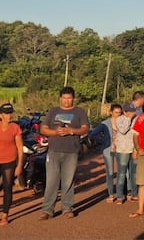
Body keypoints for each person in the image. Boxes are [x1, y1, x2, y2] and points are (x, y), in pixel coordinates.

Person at [39, 86, 90, 220]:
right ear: (60, 98)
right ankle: (47, 210)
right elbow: (43, 129)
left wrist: (71, 131)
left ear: (73, 99)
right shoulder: (53, 111)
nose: (66, 101)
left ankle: (67, 208)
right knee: (51, 181)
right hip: (54, 151)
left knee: (68, 181)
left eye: (69, 98)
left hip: (71, 151)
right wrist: (55, 132)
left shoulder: (79, 112)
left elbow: (85, 129)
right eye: (64, 98)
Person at [89, 103, 122, 203]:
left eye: (120, 113)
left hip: (121, 149)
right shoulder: (104, 124)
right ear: (111, 112)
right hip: (108, 149)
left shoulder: (123, 122)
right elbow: (93, 134)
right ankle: (111, 193)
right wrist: (104, 141)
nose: (118, 115)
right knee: (110, 172)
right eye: (116, 112)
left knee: (122, 171)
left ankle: (121, 193)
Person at [0, 103, 23, 226]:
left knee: (7, 187)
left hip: (10, 161)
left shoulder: (15, 127)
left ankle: (5, 215)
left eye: (10, 113)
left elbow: (20, 147)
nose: (9, 115)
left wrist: (19, 165)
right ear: (1, 115)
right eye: (6, 113)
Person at [115, 103, 139, 204]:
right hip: (122, 150)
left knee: (134, 173)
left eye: (134, 111)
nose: (133, 113)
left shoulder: (137, 119)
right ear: (125, 112)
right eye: (130, 111)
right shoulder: (119, 119)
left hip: (133, 148)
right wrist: (129, 119)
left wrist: (136, 149)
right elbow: (123, 130)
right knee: (121, 173)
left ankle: (134, 194)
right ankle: (120, 195)